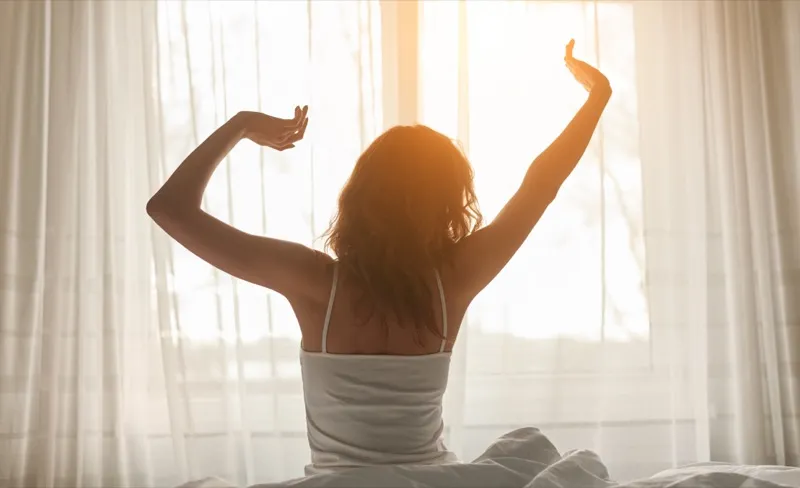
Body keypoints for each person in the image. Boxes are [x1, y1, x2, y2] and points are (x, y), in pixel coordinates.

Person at [147, 40, 611, 475]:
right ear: (450, 204)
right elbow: (541, 184)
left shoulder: (312, 280)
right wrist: (597, 97)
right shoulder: (455, 278)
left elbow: (169, 208)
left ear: (360, 198)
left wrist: (242, 125)